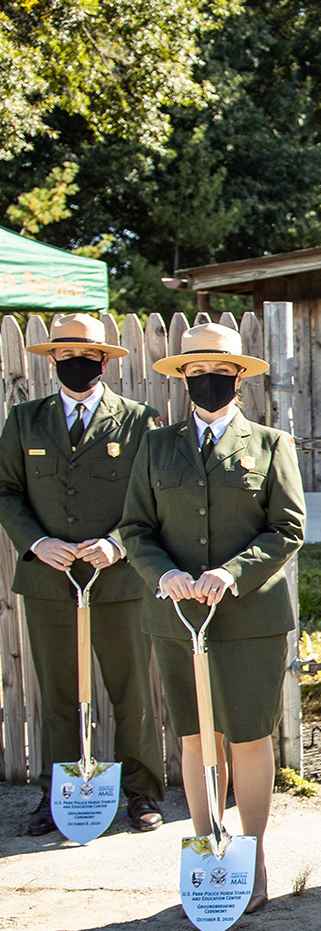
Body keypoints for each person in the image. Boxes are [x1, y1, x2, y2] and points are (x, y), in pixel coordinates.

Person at [117, 322, 304, 913]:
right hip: (176, 615)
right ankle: (206, 849)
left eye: (220, 371)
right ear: (183, 379)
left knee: (248, 736)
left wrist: (232, 572)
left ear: (240, 377)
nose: (208, 380)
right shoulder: (156, 445)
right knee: (197, 738)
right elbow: (135, 528)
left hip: (250, 616)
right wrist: (161, 573)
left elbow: (288, 528)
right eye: (196, 372)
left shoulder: (271, 444)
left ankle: (252, 856)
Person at [0, 314, 164, 836]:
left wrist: (118, 544)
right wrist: (37, 542)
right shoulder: (24, 420)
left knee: (131, 691)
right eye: (66, 355)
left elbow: (154, 496)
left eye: (89, 356)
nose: (78, 364)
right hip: (48, 580)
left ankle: (141, 793)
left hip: (119, 580)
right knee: (57, 694)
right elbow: (6, 491)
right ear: (51, 360)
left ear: (105, 361)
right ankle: (59, 796)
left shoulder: (138, 420)